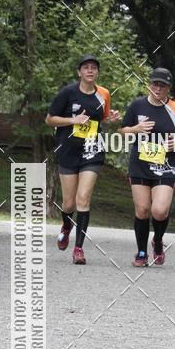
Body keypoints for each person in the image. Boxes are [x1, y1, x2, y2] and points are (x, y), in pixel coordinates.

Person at [46, 55, 120, 265]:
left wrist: (111, 120)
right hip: (68, 150)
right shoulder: (67, 93)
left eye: (94, 68)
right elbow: (50, 119)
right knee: (68, 203)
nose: (90, 71)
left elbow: (102, 118)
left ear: (97, 72)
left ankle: (78, 248)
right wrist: (72, 120)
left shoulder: (103, 94)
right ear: (79, 72)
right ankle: (66, 226)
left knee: (83, 199)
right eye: (86, 68)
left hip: (92, 150)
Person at [119, 68, 175, 267]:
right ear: (149, 84)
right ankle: (141, 252)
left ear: (169, 87)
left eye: (163, 85)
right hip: (140, 164)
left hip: (165, 165)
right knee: (142, 209)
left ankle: (157, 240)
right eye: (155, 84)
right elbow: (123, 131)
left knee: (159, 211)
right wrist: (135, 129)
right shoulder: (137, 105)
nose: (158, 88)